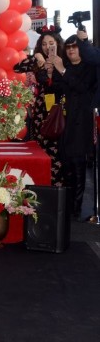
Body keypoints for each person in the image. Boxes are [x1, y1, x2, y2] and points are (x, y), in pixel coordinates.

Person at [52, 35, 98, 220]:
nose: (71, 50)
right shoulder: (64, 67)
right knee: (66, 166)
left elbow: (83, 89)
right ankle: (68, 206)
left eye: (75, 46)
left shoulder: (90, 68)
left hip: (82, 123)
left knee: (79, 167)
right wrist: (49, 73)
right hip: (65, 123)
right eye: (69, 47)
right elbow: (54, 90)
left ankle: (76, 209)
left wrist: (62, 71)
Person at [32, 26, 66, 186]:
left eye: (51, 43)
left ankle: (58, 187)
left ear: (57, 43)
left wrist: (54, 69)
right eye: (44, 44)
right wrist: (40, 63)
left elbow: (58, 86)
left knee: (58, 149)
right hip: (41, 108)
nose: (47, 47)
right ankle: (42, 186)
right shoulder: (39, 62)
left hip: (59, 109)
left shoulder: (64, 61)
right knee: (42, 145)